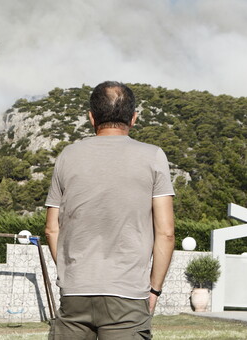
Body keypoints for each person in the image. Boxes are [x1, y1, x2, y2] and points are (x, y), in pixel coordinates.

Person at [45, 81, 175, 340]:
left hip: (75, 294)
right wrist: (155, 290)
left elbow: (51, 229)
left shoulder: (67, 156)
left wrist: (71, 272)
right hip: (126, 297)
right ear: (134, 118)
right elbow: (166, 233)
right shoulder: (153, 157)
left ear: (91, 117)